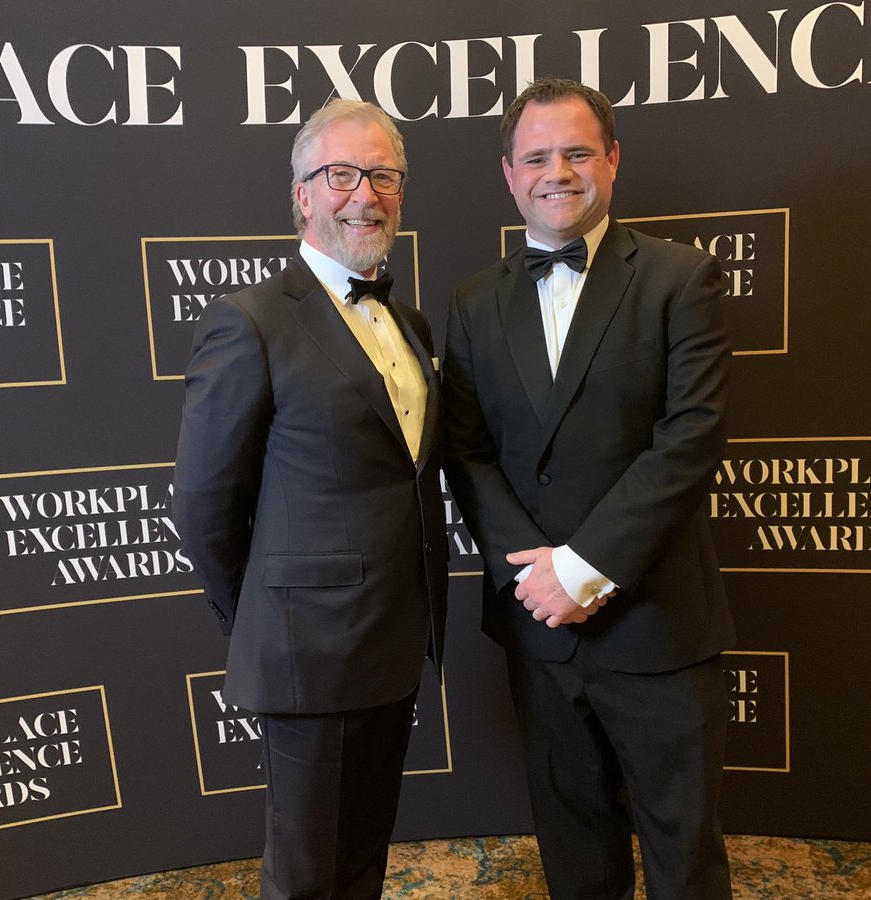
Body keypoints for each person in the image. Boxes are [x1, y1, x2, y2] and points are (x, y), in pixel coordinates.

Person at [443, 77, 735, 899]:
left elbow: (692, 439)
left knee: (685, 855)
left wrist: (583, 569)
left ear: (611, 159)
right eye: (536, 156)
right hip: (537, 633)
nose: (557, 171)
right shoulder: (472, 303)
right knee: (573, 852)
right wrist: (537, 585)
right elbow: (465, 453)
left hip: (658, 628)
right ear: (508, 173)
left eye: (577, 152)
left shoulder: (682, 279)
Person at [173, 99, 446, 900]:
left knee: (364, 855)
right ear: (302, 194)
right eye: (340, 175)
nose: (364, 194)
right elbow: (201, 504)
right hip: (306, 655)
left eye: (383, 175)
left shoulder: (410, 324)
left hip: (395, 641)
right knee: (303, 874)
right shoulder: (249, 322)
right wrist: (265, 614)